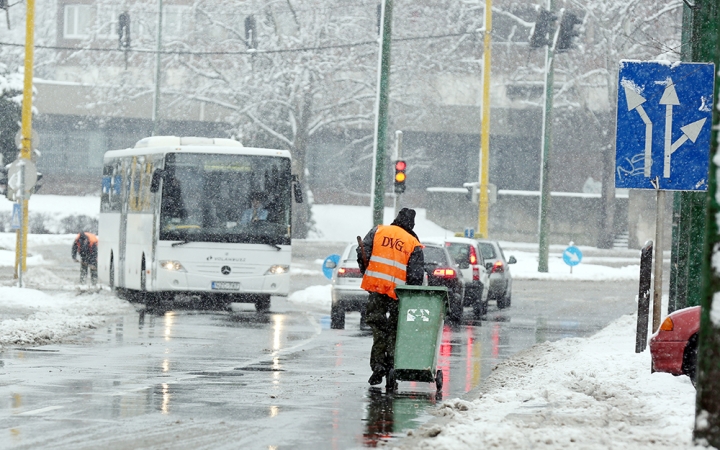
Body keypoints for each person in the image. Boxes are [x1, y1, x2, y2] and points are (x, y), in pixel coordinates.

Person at [357, 208, 424, 387]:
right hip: (399, 294)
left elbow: (362, 251)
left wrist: (367, 272)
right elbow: (416, 276)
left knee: (378, 328)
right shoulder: (413, 242)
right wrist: (412, 295)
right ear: (412, 224)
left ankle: (378, 366)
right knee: (396, 329)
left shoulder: (379, 231)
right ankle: (392, 367)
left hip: (377, 289)